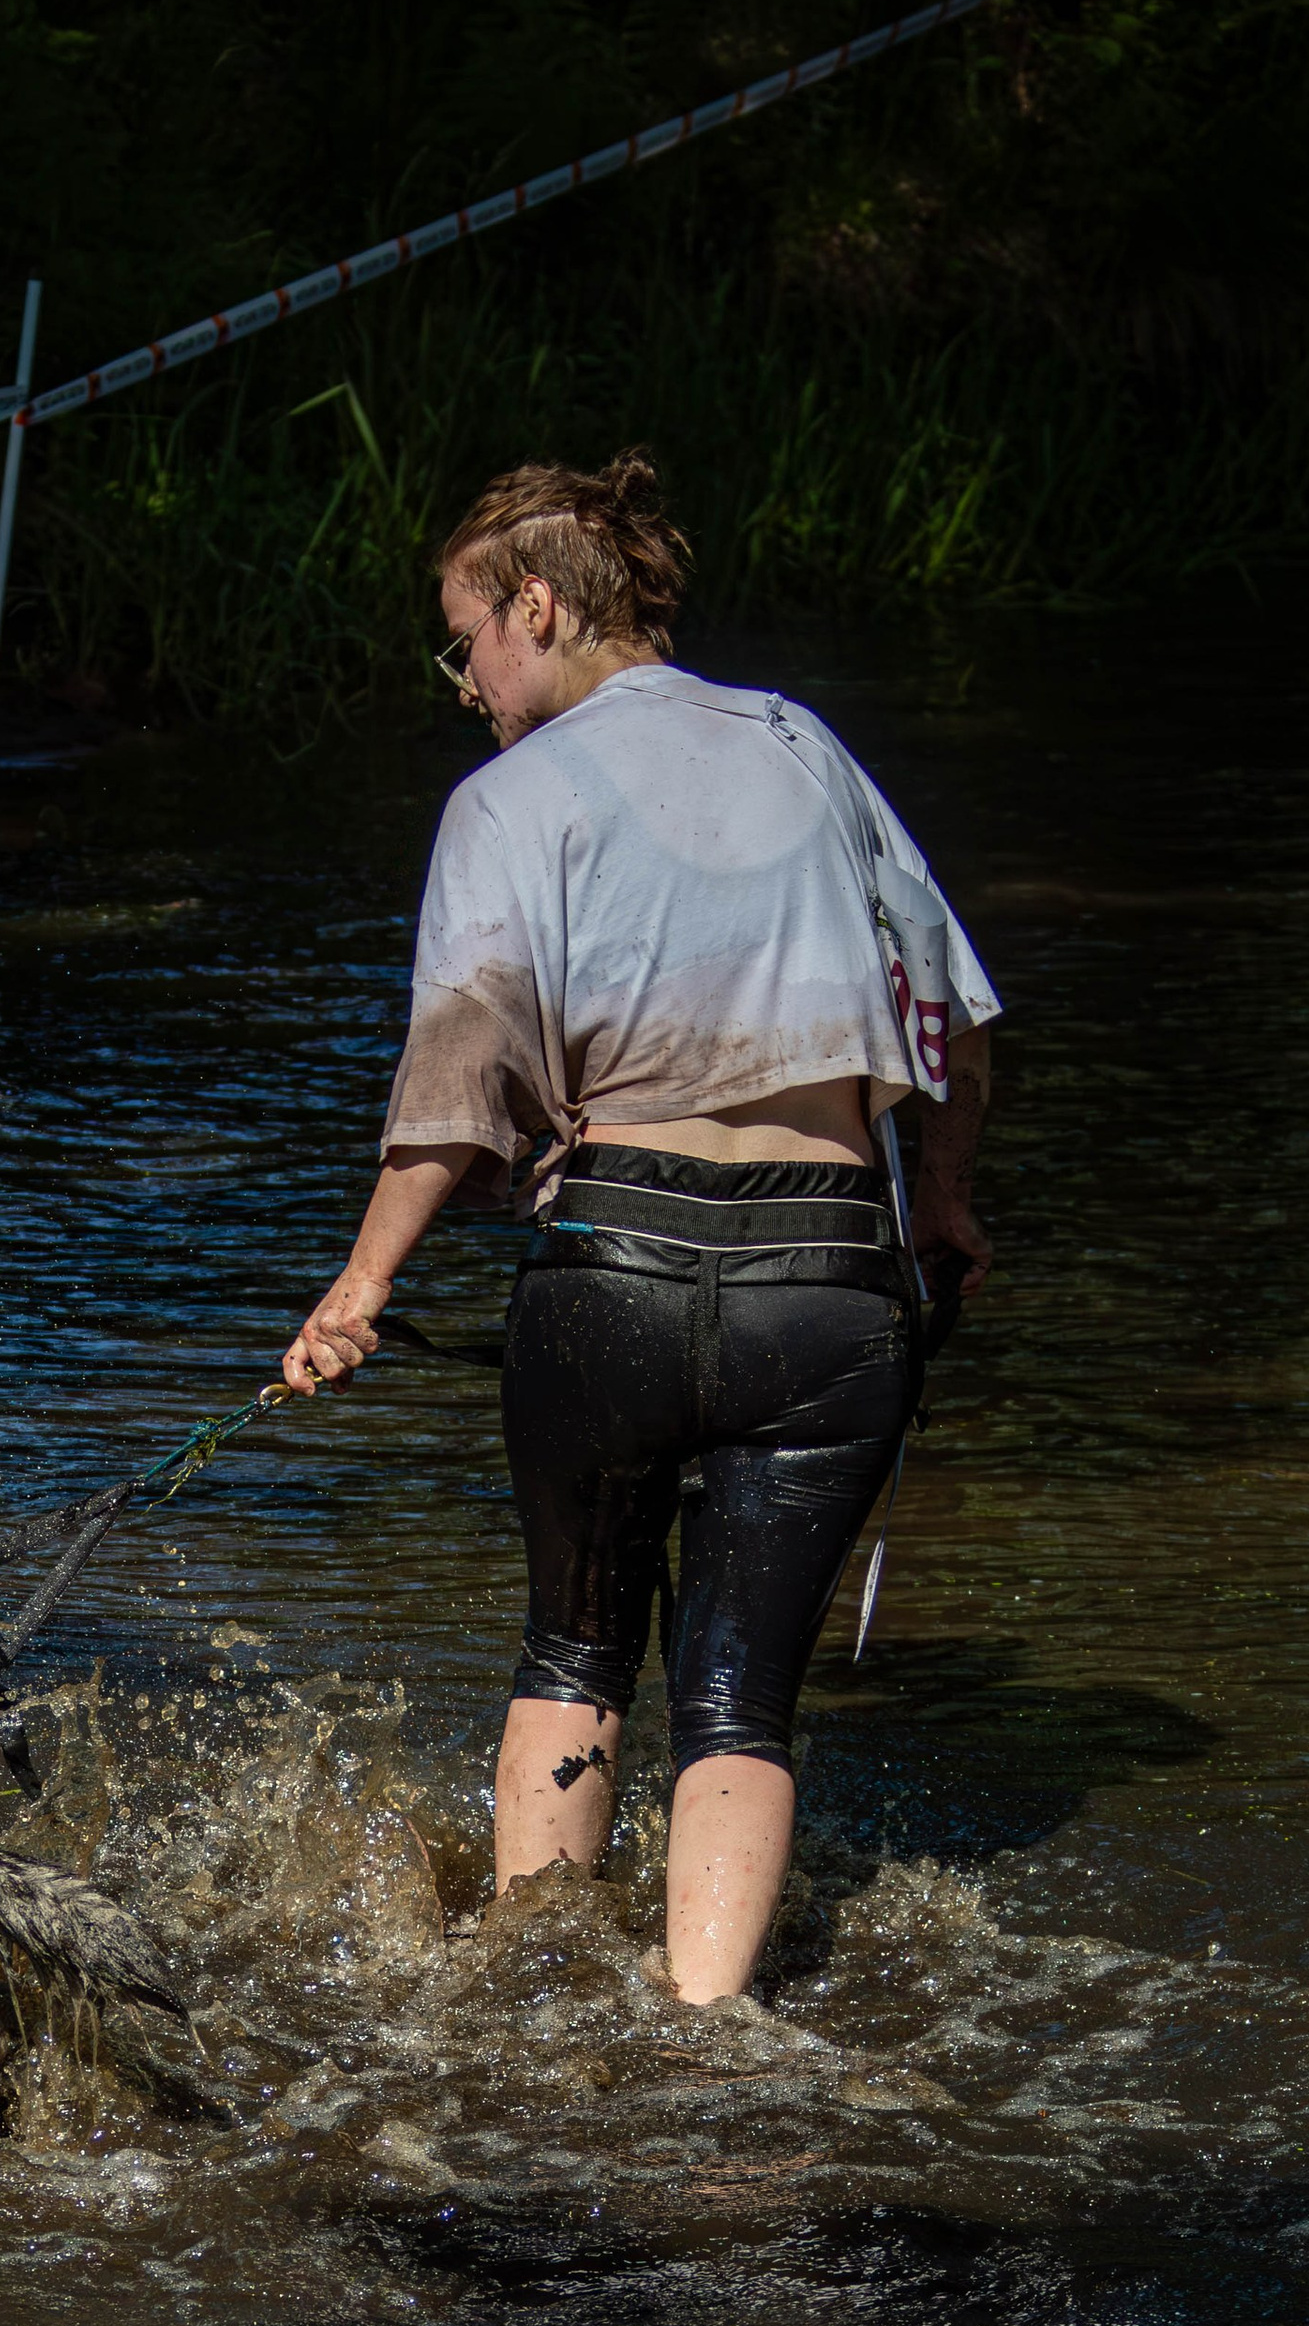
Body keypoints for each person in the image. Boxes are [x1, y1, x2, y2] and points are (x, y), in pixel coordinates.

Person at [281, 451, 998, 2004]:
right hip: (828, 1293)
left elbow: (459, 1076)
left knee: (578, 1648)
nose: (463, 679)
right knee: (740, 1698)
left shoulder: (508, 802)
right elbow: (949, 1011)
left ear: (537, 605)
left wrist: (360, 1285)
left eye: (464, 636)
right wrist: (939, 1199)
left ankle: (538, 2005)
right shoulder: (807, 745)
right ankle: (704, 2035)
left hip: (614, 1276)